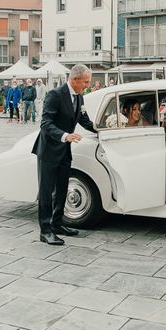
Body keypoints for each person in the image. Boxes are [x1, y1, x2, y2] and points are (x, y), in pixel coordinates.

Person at [31, 64, 97, 245]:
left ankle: (57, 224)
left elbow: (83, 119)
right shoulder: (55, 95)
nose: (87, 85)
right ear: (75, 79)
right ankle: (45, 231)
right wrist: (65, 136)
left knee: (61, 189)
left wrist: (100, 129)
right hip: (48, 150)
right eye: (85, 82)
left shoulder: (79, 97)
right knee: (46, 192)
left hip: (64, 151)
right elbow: (45, 123)